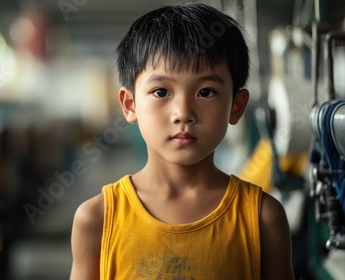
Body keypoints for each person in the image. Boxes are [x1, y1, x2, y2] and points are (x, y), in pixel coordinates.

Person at [70, 3, 294, 280]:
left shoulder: (261, 217)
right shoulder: (98, 218)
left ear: (236, 106)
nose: (184, 113)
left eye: (206, 92)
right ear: (130, 105)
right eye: (161, 91)